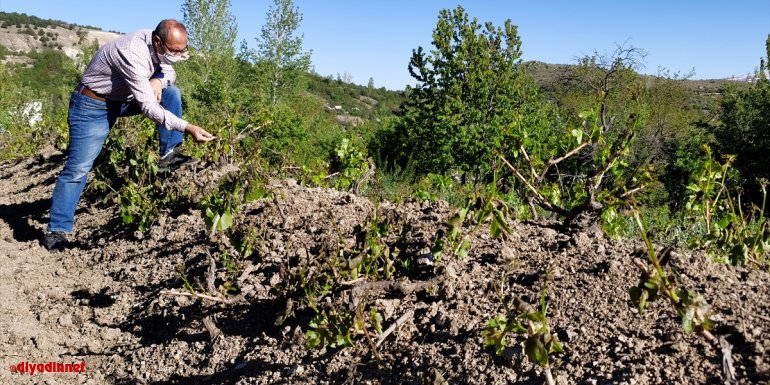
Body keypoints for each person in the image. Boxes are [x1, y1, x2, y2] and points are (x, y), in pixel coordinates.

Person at [43, 19, 215, 251]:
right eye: (175, 50)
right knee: (79, 168)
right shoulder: (132, 52)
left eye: (182, 50)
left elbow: (170, 72)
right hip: (92, 105)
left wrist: (158, 79)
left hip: (123, 100)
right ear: (158, 41)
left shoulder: (158, 45)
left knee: (171, 92)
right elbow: (150, 109)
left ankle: (169, 155)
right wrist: (188, 127)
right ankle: (57, 231)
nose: (179, 55)